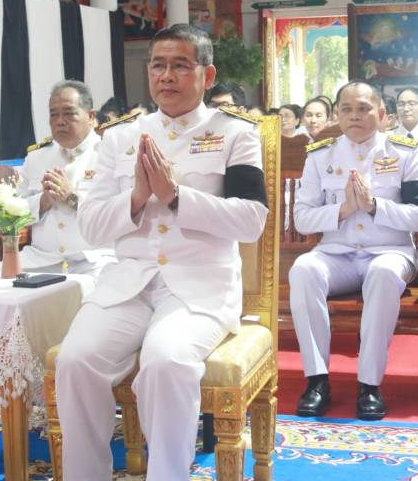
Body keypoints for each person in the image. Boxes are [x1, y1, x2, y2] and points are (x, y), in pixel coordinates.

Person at [55, 24, 269, 479]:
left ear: (207, 75)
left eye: (180, 65)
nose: (166, 75)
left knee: (166, 361)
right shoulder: (119, 138)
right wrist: (135, 197)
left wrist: (176, 196)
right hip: (128, 282)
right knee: (76, 362)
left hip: (199, 285)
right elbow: (91, 227)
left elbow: (252, 220)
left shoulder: (235, 134)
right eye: (158, 65)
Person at [289, 81, 418, 419]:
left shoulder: (405, 152)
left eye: (364, 108)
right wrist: (341, 210)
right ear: (337, 114)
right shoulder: (320, 155)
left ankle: (369, 384)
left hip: (389, 251)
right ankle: (316, 380)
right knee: (303, 270)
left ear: (382, 114)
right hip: (336, 253)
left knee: (383, 274)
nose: (355, 115)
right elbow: (302, 219)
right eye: (347, 109)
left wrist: (373, 206)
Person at [18, 81, 115, 287]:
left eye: (69, 113)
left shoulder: (108, 154)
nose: (59, 121)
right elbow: (14, 212)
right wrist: (42, 201)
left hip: (92, 261)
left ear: (91, 117)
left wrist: (72, 197)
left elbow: (116, 212)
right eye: (54, 114)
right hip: (39, 262)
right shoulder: (36, 157)